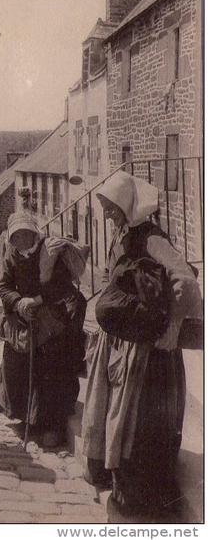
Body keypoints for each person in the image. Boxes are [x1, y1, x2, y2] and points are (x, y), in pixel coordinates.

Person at [81, 171, 202, 520]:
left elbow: (186, 282)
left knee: (143, 424)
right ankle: (116, 480)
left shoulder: (151, 238)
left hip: (150, 352)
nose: (106, 215)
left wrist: (174, 324)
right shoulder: (122, 236)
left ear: (127, 205)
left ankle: (139, 500)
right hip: (122, 342)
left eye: (110, 208)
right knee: (116, 412)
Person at [0, 211, 88, 448]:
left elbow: (63, 287)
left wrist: (36, 300)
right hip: (24, 314)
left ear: (34, 232)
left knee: (52, 368)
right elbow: (4, 286)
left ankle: (51, 424)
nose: (22, 240)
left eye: (26, 234)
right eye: (17, 236)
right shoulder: (12, 255)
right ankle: (26, 419)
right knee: (16, 360)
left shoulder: (50, 252)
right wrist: (17, 302)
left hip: (52, 313)